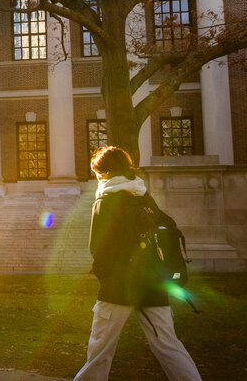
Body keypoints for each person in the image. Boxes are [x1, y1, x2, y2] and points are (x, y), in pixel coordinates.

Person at [75, 146, 202, 381]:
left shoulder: (106, 199)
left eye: (96, 172)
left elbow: (98, 248)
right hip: (153, 283)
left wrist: (105, 276)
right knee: (168, 346)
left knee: (100, 351)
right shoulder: (144, 197)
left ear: (104, 172)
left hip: (118, 287)